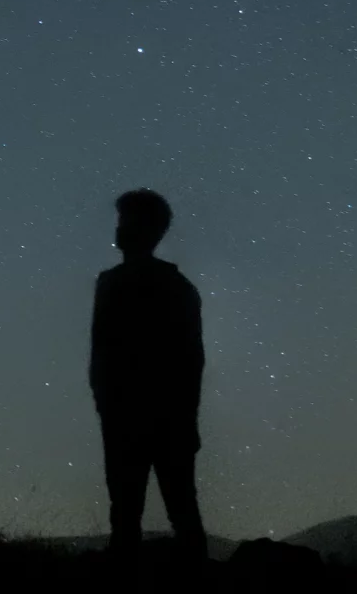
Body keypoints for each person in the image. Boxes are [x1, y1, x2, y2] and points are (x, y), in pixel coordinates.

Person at [90, 188, 206, 565]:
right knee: (131, 509)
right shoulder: (114, 282)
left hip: (155, 414)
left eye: (128, 221)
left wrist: (185, 418)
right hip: (129, 412)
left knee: (171, 507)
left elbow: (190, 359)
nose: (120, 228)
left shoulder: (172, 287)